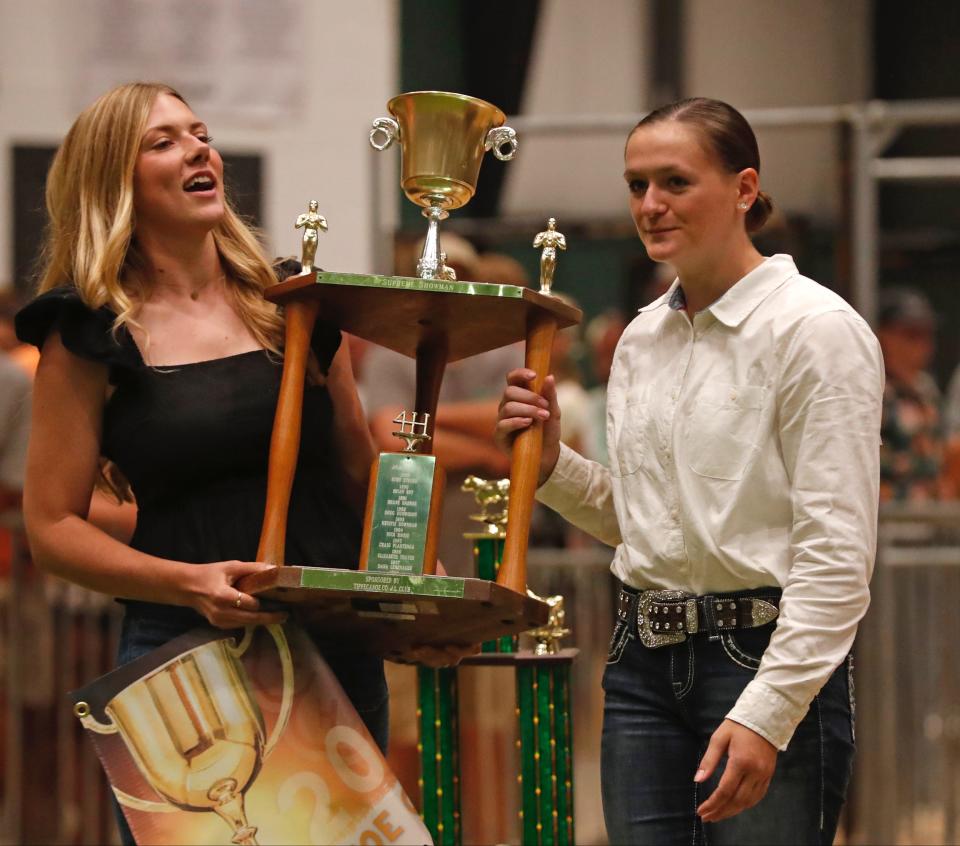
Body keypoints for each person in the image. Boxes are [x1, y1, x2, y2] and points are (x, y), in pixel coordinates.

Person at [13, 85, 405, 841]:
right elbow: (52, 527)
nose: (198, 149)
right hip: (187, 668)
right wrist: (187, 583)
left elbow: (361, 476)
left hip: (331, 650)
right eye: (163, 142)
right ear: (112, 181)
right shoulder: (88, 331)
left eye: (201, 134)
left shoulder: (293, 301)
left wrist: (410, 601)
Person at [495, 97, 884, 844]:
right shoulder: (641, 339)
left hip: (765, 657)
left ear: (744, 189)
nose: (650, 204)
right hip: (640, 663)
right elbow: (646, 523)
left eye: (674, 181)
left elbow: (836, 556)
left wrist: (768, 711)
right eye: (636, 185)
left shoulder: (817, 331)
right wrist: (550, 465)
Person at [875, 287, 950, 501]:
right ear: (884, 336)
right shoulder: (873, 388)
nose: (922, 346)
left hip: (931, 519)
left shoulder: (926, 388)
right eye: (911, 335)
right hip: (886, 519)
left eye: (927, 335)